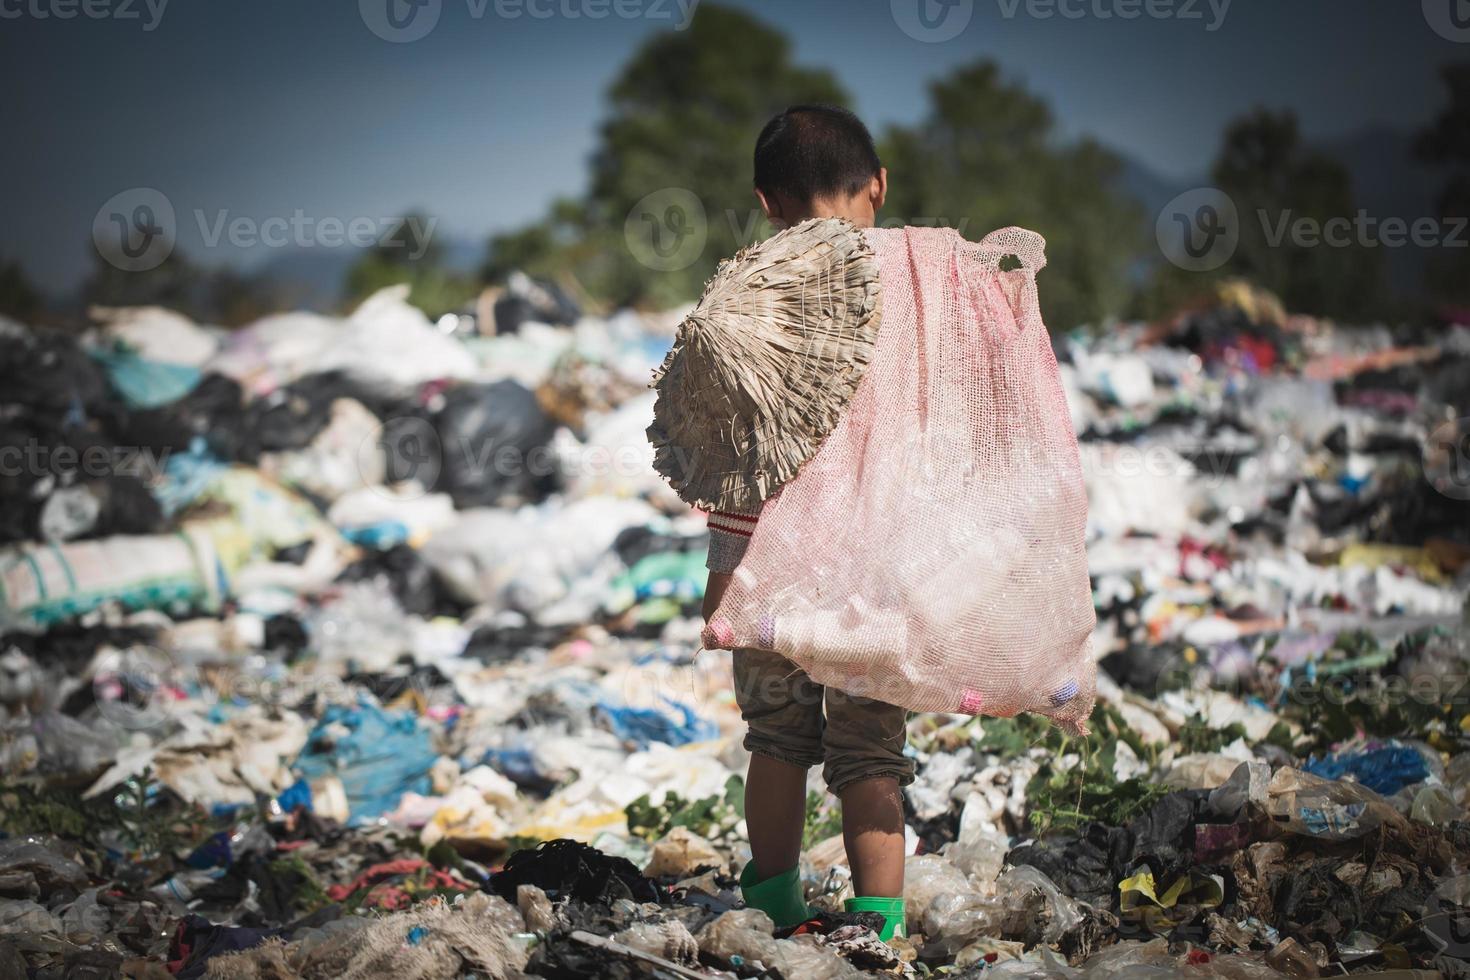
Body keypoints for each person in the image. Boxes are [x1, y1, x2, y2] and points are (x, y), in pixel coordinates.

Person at [701, 104, 911, 942]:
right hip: (881, 562)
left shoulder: (753, 302)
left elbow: (736, 455)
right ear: (879, 185)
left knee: (777, 738)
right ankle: (880, 927)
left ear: (765, 202)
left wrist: (724, 579)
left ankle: (774, 905)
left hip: (771, 564)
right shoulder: (917, 294)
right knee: (870, 750)